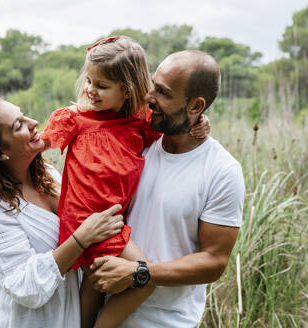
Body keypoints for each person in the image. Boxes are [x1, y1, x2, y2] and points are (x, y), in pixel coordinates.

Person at [39, 36, 210, 328]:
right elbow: (35, 146)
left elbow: (174, 129)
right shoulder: (75, 119)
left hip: (109, 219)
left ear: (128, 91)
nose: (91, 90)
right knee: (145, 276)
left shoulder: (139, 124)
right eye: (89, 82)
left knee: (95, 278)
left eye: (102, 86)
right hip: (88, 219)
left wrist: (200, 122)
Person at [89, 50, 245, 328]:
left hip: (165, 321)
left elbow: (214, 261)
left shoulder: (221, 171)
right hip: (100, 312)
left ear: (196, 107)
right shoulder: (136, 140)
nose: (149, 97)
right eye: (153, 85)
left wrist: (140, 273)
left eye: (163, 92)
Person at [0, 96, 125, 328]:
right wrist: (82, 238)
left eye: (23, 115)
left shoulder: (49, 176)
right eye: (18, 125)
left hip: (76, 311)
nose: (32, 122)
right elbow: (25, 287)